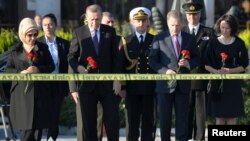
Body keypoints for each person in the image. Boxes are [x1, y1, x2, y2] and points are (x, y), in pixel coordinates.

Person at [68, 4, 123, 141]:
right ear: (86, 18)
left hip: (108, 86)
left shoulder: (110, 32)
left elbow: (117, 58)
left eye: (97, 19)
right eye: (92, 19)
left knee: (112, 122)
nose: (95, 23)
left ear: (101, 17)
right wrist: (79, 69)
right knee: (89, 125)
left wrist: (117, 80)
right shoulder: (79, 33)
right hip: (87, 87)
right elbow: (71, 57)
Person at [149, 10, 200, 141]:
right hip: (164, 86)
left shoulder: (189, 39)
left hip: (183, 86)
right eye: (172, 25)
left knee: (182, 118)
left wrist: (188, 63)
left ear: (182, 24)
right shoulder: (159, 38)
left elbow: (198, 58)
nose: (175, 28)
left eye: (177, 25)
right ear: (167, 23)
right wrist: (165, 71)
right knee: (165, 119)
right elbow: (153, 61)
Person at [5, 17, 55, 141]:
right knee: (27, 130)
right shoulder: (15, 51)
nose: (33, 38)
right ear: (23, 34)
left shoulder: (42, 48)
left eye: (35, 34)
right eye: (29, 35)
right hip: (22, 95)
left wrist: (38, 70)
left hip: (40, 94)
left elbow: (51, 66)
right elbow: (7, 70)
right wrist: (20, 73)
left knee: (37, 129)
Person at [205, 14, 249, 125]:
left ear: (232, 28)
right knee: (219, 118)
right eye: (222, 27)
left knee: (231, 118)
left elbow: (244, 65)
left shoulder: (239, 43)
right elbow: (206, 64)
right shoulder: (213, 43)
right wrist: (216, 72)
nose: (224, 30)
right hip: (217, 85)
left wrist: (230, 71)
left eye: (227, 28)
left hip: (233, 86)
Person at [181, 0, 215, 140]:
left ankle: (199, 138)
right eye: (189, 14)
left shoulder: (208, 32)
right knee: (186, 111)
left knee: (201, 113)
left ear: (200, 14)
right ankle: (186, 137)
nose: (192, 17)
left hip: (201, 77)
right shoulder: (181, 31)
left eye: (195, 14)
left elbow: (212, 54)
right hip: (185, 78)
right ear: (186, 15)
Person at [121, 7, 156, 141]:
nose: (141, 24)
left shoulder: (155, 40)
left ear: (147, 22)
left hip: (150, 88)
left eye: (143, 20)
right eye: (138, 21)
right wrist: (123, 87)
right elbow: (122, 66)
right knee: (132, 122)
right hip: (132, 89)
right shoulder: (126, 41)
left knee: (149, 122)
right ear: (133, 22)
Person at [37, 13, 70, 141]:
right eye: (44, 25)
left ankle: (52, 137)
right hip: (42, 84)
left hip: (58, 84)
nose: (48, 27)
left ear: (55, 25)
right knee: (42, 113)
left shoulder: (64, 44)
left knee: (55, 113)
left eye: (50, 24)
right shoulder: (37, 43)